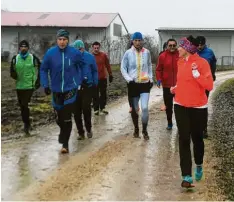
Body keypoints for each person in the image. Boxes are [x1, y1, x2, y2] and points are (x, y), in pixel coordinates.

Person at [171, 35, 213, 188]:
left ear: (188, 48)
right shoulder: (180, 62)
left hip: (198, 108)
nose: (178, 49)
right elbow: (182, 82)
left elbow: (209, 86)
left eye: (181, 47)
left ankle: (199, 163)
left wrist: (197, 76)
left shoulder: (202, 63)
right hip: (180, 105)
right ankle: (186, 176)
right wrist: (175, 88)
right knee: (183, 138)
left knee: (197, 139)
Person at [40, 29, 83, 154]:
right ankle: (63, 132)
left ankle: (65, 144)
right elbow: (43, 69)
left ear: (68, 41)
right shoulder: (50, 53)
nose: (62, 42)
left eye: (64, 39)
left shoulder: (74, 53)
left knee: (66, 116)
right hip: (56, 89)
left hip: (70, 89)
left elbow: (82, 65)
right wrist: (45, 84)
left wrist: (80, 81)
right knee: (59, 119)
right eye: (60, 39)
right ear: (56, 40)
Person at [121, 32, 153, 140]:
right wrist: (129, 79)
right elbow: (123, 68)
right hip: (133, 84)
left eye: (140, 40)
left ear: (142, 41)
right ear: (132, 41)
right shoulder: (128, 53)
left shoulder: (147, 52)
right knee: (135, 109)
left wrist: (151, 78)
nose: (138, 42)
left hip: (144, 84)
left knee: (144, 108)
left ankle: (144, 130)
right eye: (136, 40)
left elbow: (149, 65)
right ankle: (136, 128)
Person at [10, 40, 41, 135]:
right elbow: (12, 70)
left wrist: (38, 81)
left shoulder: (32, 58)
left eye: (25, 47)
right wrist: (13, 74)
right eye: (22, 47)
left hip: (29, 85)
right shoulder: (15, 58)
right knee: (22, 106)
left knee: (24, 104)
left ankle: (26, 125)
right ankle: (26, 122)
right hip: (19, 86)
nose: (23, 48)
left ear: (28, 48)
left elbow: (41, 67)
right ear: (19, 48)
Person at [73, 40, 98, 140]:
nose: (79, 51)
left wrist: (95, 82)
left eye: (81, 49)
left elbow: (94, 71)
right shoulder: (71, 59)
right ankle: (80, 132)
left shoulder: (90, 57)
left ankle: (88, 128)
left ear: (83, 48)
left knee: (86, 108)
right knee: (76, 111)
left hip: (88, 86)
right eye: (77, 49)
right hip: (75, 88)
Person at [196, 36, 217, 138]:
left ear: (205, 44)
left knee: (203, 105)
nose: (199, 46)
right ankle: (194, 127)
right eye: (198, 44)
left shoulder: (209, 52)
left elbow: (213, 64)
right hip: (194, 83)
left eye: (201, 44)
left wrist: (212, 74)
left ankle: (204, 129)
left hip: (205, 82)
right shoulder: (192, 51)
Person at [156, 39, 179, 130]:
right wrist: (159, 79)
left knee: (179, 106)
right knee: (168, 106)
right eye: (170, 45)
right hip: (167, 86)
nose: (172, 47)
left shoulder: (180, 55)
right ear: (167, 46)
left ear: (176, 46)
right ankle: (169, 122)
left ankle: (179, 123)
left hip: (179, 85)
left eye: (174, 45)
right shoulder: (162, 56)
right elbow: (158, 69)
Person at [92, 41, 113, 115]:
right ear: (93, 48)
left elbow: (108, 65)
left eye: (97, 48)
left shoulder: (103, 55)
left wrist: (110, 74)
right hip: (94, 79)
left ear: (99, 47)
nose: (96, 49)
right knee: (95, 94)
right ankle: (96, 109)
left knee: (103, 94)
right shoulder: (90, 56)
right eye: (95, 48)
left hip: (103, 78)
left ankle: (102, 108)